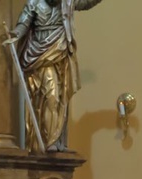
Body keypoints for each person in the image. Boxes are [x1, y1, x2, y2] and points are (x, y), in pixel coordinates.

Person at [6, 0, 104, 152]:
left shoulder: (67, 2)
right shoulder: (34, 3)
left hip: (61, 52)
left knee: (61, 98)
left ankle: (57, 140)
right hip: (40, 57)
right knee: (51, 97)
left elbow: (87, 3)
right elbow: (23, 24)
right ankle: (48, 141)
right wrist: (15, 34)